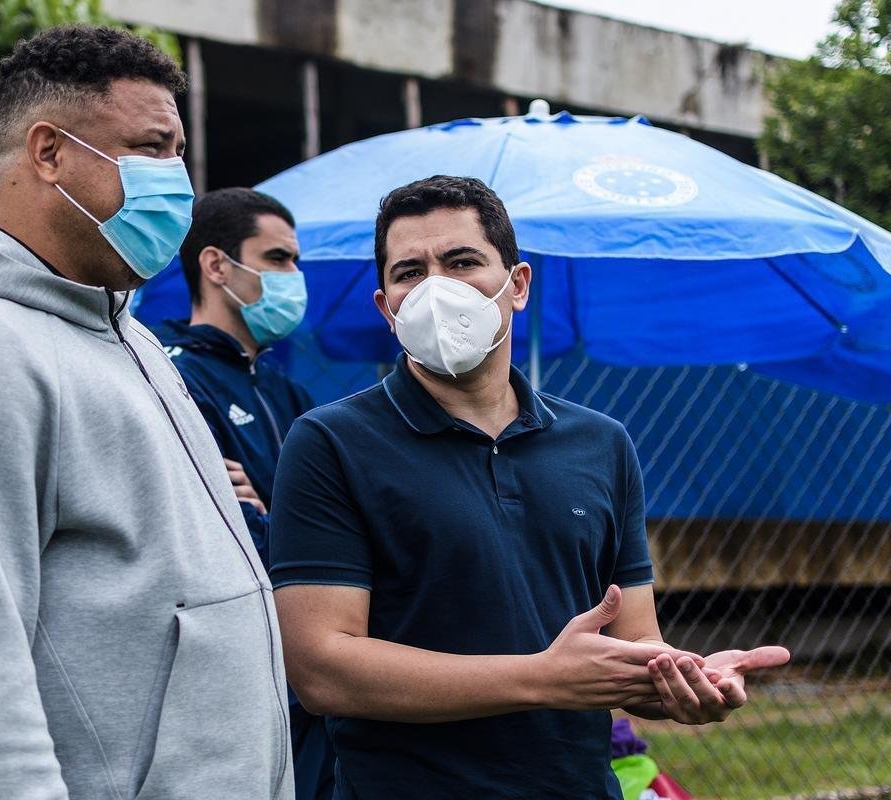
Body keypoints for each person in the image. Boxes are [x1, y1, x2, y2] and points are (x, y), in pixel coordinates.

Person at [0, 26, 292, 800]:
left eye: (178, 153)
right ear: (48, 152)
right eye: (151, 150)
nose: (177, 183)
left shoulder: (131, 339)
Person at [269, 175, 790, 799]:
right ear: (387, 307)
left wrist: (680, 679)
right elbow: (323, 669)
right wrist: (542, 678)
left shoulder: (601, 443)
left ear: (517, 286)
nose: (438, 288)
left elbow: (632, 641)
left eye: (463, 261)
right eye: (411, 271)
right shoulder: (330, 442)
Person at [156, 187, 333, 800]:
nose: (294, 277)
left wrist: (272, 518)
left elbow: (341, 534)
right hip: (226, 665)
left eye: (295, 262)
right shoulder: (172, 378)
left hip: (307, 663)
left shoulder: (290, 394)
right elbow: (220, 532)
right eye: (279, 259)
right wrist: (302, 538)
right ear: (215, 266)